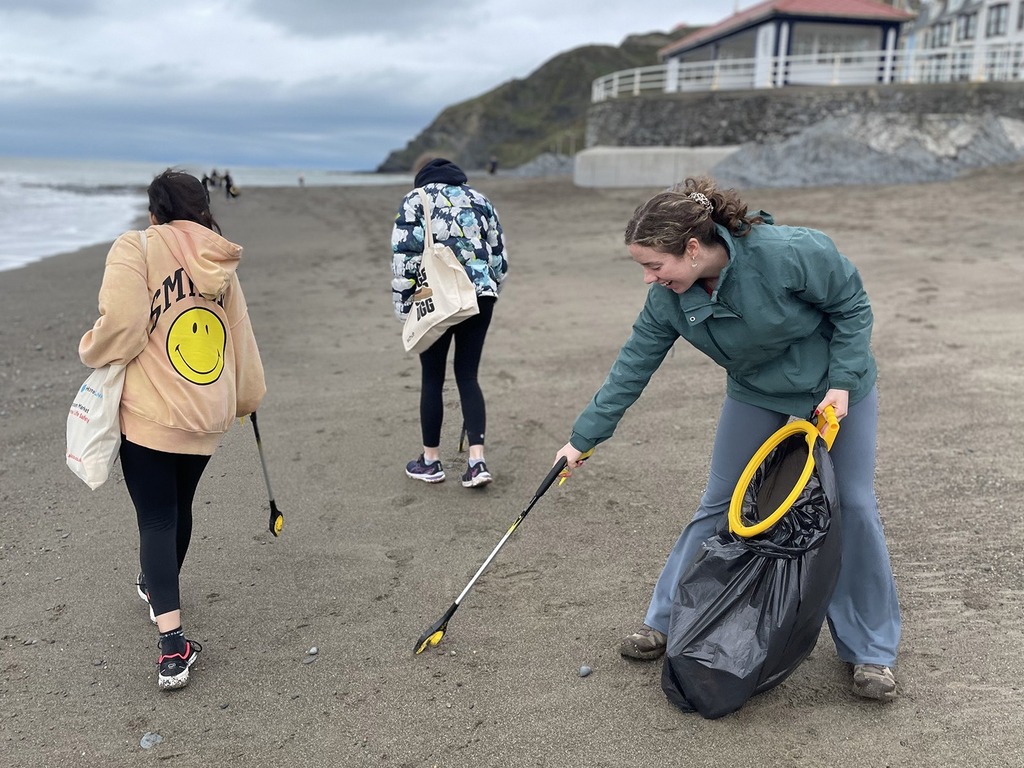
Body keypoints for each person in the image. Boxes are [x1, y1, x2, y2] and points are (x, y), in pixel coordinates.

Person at [553, 176, 901, 702]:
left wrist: (843, 384)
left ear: (693, 248)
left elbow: (852, 307)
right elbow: (631, 368)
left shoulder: (789, 252)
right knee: (719, 504)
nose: (649, 279)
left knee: (851, 504)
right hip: (756, 392)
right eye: (642, 267)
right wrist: (583, 440)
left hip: (833, 388)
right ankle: (666, 621)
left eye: (655, 265)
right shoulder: (668, 300)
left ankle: (871, 652)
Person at [78, 169, 266, 690]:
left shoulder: (135, 247)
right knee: (178, 509)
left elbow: (121, 324)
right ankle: (156, 587)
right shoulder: (220, 257)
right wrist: (246, 397)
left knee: (156, 518)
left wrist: (90, 348)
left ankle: (172, 645)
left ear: (154, 209)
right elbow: (240, 335)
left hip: (152, 412)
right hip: (207, 412)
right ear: (203, 207)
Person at [391, 157, 508, 487]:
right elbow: (498, 257)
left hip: (436, 298)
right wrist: (490, 288)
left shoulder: (416, 200)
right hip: (479, 297)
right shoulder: (481, 200)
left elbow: (404, 258)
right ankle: (476, 462)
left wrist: (405, 311)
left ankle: (430, 461)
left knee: (432, 377)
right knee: (468, 375)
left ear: (421, 175)